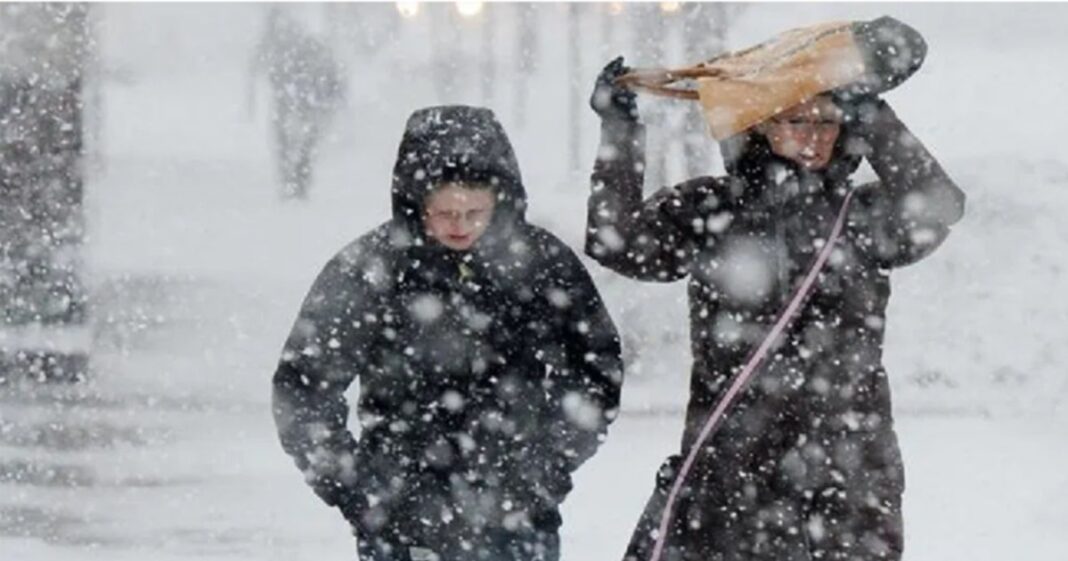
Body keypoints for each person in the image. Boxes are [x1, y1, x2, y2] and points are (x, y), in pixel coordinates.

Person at [586, 53, 966, 561]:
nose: (815, 134)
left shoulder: (862, 216)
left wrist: (874, 114)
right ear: (761, 124)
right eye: (796, 120)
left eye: (829, 119)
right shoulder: (714, 208)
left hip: (849, 470)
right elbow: (618, 240)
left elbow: (939, 203)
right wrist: (619, 130)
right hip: (735, 466)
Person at [272, 105, 623, 561]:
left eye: (475, 211)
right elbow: (304, 385)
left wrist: (546, 467)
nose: (460, 226)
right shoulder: (371, 269)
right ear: (417, 205)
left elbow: (593, 368)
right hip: (403, 520)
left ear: (501, 201)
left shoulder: (541, 264)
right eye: (444, 213)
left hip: (517, 516)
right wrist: (358, 488)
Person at [249, 7, 345, 200]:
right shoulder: (288, 45)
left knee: (294, 139)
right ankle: (296, 174)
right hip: (296, 102)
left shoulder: (292, 45)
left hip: (298, 101)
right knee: (295, 139)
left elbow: (260, 68)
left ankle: (296, 174)